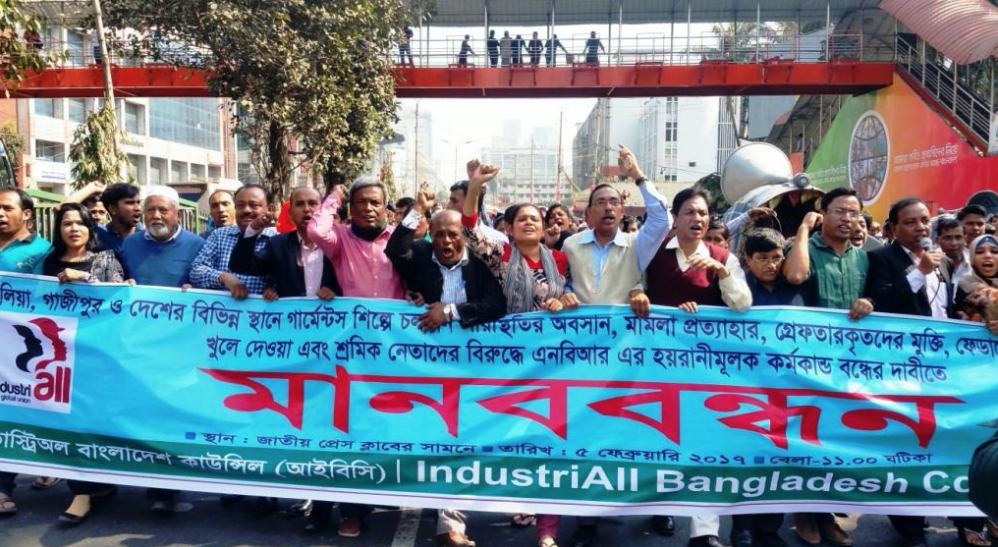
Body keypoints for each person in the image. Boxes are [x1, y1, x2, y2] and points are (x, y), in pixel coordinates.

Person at [541, 145, 672, 547]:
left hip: (628, 360)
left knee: (636, 432)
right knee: (587, 436)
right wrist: (563, 295)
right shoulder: (571, 246)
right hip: (582, 360)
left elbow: (663, 218)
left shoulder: (637, 245)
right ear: (588, 213)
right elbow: (559, 284)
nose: (609, 208)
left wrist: (638, 175)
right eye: (601, 202)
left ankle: (658, 504)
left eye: (615, 202)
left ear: (623, 208)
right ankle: (586, 519)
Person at [386, 188, 506, 547]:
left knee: (459, 440)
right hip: (423, 370)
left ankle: (450, 524)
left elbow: (496, 304)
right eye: (439, 235)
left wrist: (449, 311)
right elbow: (395, 250)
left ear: (463, 236)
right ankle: (431, 497)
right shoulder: (421, 255)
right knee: (429, 435)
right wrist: (418, 209)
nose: (446, 241)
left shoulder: (481, 263)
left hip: (471, 371)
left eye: (453, 234)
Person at [864, 198, 979, 547]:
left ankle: (960, 515)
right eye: (910, 222)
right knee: (907, 443)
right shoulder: (881, 259)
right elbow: (881, 304)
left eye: (924, 220)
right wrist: (919, 273)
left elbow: (943, 309)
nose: (919, 228)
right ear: (893, 228)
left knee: (945, 440)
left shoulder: (942, 261)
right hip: (904, 370)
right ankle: (910, 526)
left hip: (943, 369)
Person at [642, 187, 750, 547]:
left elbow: (742, 304)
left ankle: (704, 531)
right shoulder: (653, 252)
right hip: (659, 365)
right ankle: (662, 505)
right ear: (675, 218)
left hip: (707, 368)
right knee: (663, 438)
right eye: (689, 212)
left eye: (703, 213)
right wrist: (637, 294)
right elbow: (634, 286)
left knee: (706, 441)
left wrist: (722, 273)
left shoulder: (722, 257)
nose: (697, 219)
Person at [307, 176, 406, 537]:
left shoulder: (399, 239)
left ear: (386, 207)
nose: (368, 208)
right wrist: (333, 196)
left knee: (389, 424)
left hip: (395, 351)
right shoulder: (340, 240)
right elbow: (316, 231)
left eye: (375, 202)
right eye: (360, 201)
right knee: (351, 427)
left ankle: (383, 490)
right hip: (351, 352)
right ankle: (352, 509)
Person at [783, 187, 872, 547]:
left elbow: (872, 300)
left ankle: (826, 514)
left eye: (854, 212)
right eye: (840, 211)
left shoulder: (863, 258)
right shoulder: (807, 247)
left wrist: (869, 302)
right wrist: (804, 230)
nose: (847, 218)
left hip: (849, 366)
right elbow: (794, 276)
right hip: (809, 365)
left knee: (836, 438)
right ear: (823, 213)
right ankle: (803, 511)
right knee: (807, 437)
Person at [119, 186, 204, 513]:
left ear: (177, 214)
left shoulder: (197, 245)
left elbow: (206, 283)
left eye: (163, 210)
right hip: (140, 345)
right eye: (150, 210)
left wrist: (197, 288)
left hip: (180, 347)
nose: (156, 216)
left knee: (172, 415)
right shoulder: (130, 244)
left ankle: (167, 487)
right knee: (147, 414)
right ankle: (156, 481)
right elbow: (120, 280)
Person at [39, 203, 124, 525]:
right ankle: (82, 490)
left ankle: (96, 486)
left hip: (97, 355)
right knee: (68, 421)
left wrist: (85, 277)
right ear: (58, 229)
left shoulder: (105, 259)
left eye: (80, 223)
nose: (73, 229)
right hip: (59, 355)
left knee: (93, 421)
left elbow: (119, 297)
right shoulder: (48, 262)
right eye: (66, 223)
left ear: (90, 228)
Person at [0, 187, 51, 516]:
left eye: (7, 208)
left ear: (27, 214)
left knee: (15, 412)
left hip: (22, 348)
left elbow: (48, 298)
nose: (0, 214)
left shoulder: (42, 250)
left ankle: (5, 485)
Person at [228, 186, 340, 301]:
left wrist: (335, 292)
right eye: (299, 204)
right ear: (290, 214)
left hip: (331, 311)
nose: (306, 209)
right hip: (290, 312)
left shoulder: (339, 243)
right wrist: (252, 229)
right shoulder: (277, 244)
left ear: (322, 210)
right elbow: (241, 266)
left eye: (312, 203)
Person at [190, 184, 276, 299]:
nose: (246, 210)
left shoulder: (278, 240)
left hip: (265, 309)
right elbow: (196, 271)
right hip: (221, 309)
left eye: (254, 205)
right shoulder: (219, 235)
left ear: (270, 209)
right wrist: (223, 278)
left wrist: (275, 288)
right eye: (240, 205)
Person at [741, 228, 808, 307]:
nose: (771, 265)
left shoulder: (795, 284)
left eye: (776, 258)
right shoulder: (737, 287)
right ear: (749, 260)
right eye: (763, 258)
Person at [449, 179, 508, 244]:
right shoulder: (444, 238)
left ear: (472, 204)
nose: (449, 206)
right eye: (450, 201)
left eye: (454, 201)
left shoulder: (499, 241)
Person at [96, 183, 142, 255]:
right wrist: (90, 189)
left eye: (138, 203)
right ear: (113, 209)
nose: (138, 208)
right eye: (130, 203)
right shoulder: (101, 236)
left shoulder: (150, 238)